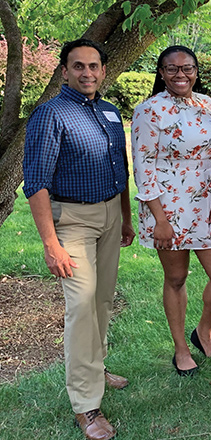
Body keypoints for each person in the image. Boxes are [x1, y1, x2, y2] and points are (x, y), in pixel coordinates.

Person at [23, 39, 135, 440]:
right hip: (72, 221)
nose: (88, 73)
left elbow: (119, 165)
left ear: (104, 70)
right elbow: (35, 183)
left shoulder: (107, 110)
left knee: (103, 297)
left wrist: (124, 215)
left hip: (109, 214)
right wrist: (51, 244)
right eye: (79, 67)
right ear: (65, 72)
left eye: (94, 66)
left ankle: (96, 363)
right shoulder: (50, 115)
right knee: (82, 304)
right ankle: (87, 405)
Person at [131, 46, 211, 376]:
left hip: (206, 203)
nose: (180, 75)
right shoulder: (149, 110)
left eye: (187, 68)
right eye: (172, 69)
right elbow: (142, 167)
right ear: (161, 73)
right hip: (167, 207)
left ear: (196, 71)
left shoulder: (208, 104)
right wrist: (159, 219)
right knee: (176, 278)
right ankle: (181, 348)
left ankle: (203, 331)